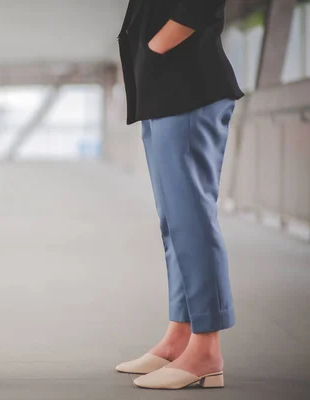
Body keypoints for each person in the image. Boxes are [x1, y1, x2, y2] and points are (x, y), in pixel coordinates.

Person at [114, 0, 244, 390]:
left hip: (189, 88)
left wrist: (156, 47)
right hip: (163, 92)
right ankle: (180, 336)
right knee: (174, 223)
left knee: (192, 221)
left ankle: (206, 349)